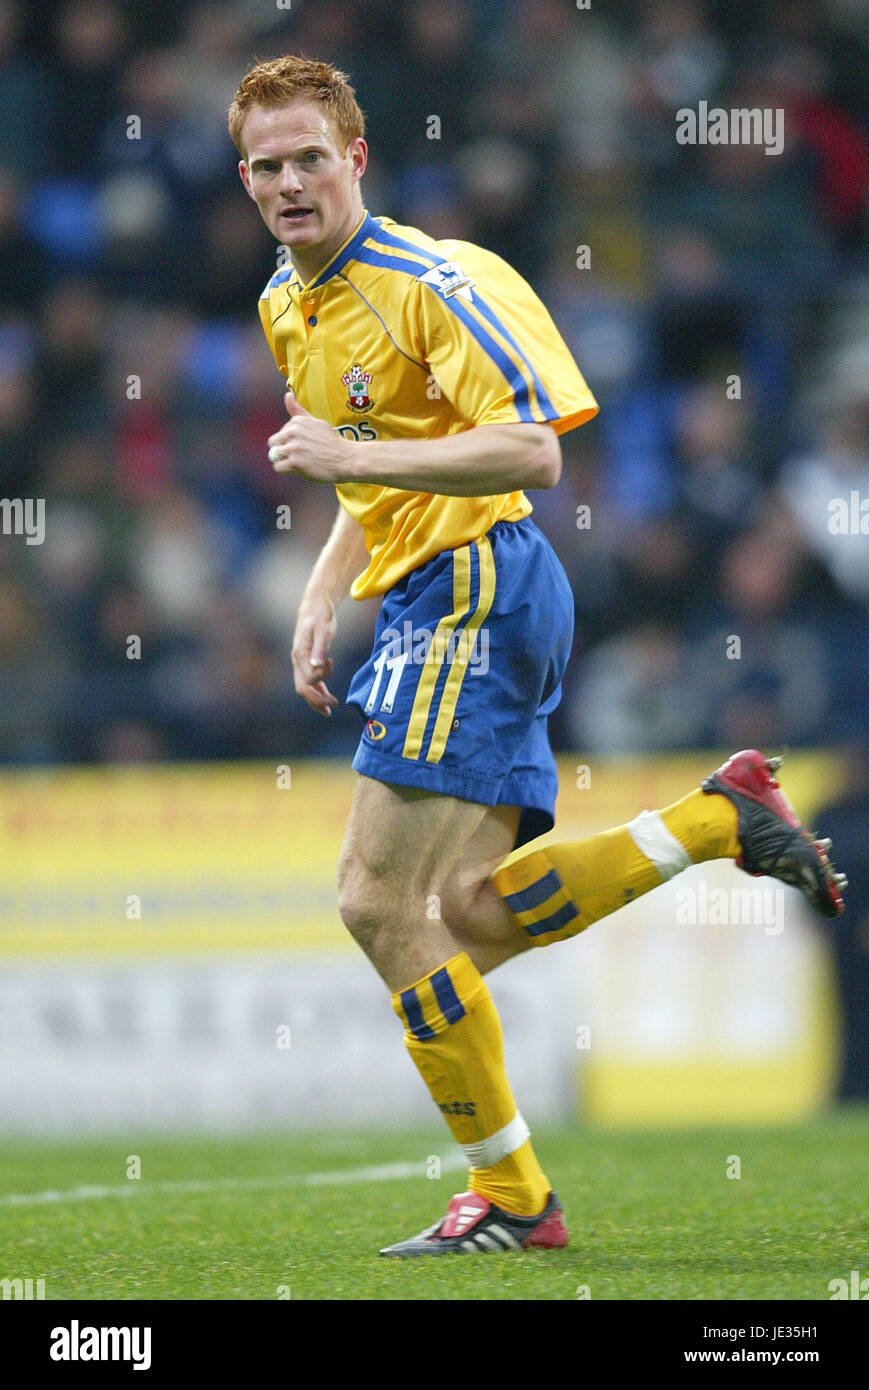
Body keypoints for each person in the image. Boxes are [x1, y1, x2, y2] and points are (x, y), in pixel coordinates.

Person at [228, 55, 846, 1257]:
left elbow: (528, 451)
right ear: (244, 178)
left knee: (371, 901)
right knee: (453, 912)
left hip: (475, 584)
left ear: (356, 158)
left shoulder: (430, 279)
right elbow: (373, 447)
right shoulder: (282, 304)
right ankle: (711, 822)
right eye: (267, 164)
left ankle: (513, 1198)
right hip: (433, 591)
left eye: (312, 156)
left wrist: (349, 472)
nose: (291, 181)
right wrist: (320, 588)